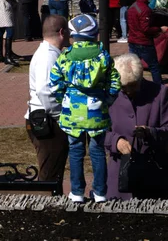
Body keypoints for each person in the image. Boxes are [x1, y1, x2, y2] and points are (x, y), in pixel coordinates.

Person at [50, 14, 121, 203]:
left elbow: (55, 84)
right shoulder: (103, 56)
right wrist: (108, 99)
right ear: (95, 34)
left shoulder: (65, 57)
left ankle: (77, 192)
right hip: (97, 112)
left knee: (75, 151)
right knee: (97, 152)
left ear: (72, 36)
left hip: (72, 113)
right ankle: (100, 193)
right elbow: (115, 81)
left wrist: (63, 100)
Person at [104, 53, 168, 201]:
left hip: (156, 172)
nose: (128, 91)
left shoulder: (160, 93)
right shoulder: (107, 95)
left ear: (141, 78)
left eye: (133, 86)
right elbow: (98, 133)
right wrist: (115, 141)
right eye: (123, 87)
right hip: (121, 171)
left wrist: (151, 133)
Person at [25, 15, 71, 182]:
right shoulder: (48, 56)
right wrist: (61, 116)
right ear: (61, 32)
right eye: (68, 32)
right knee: (49, 175)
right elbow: (45, 90)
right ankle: (45, 205)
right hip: (47, 121)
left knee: (54, 171)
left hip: (46, 118)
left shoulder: (50, 53)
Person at [127, 0, 168, 84]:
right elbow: (145, 29)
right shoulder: (145, 9)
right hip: (144, 43)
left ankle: (134, 87)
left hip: (133, 41)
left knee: (134, 67)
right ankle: (159, 90)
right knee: (154, 67)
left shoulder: (132, 7)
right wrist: (160, 29)